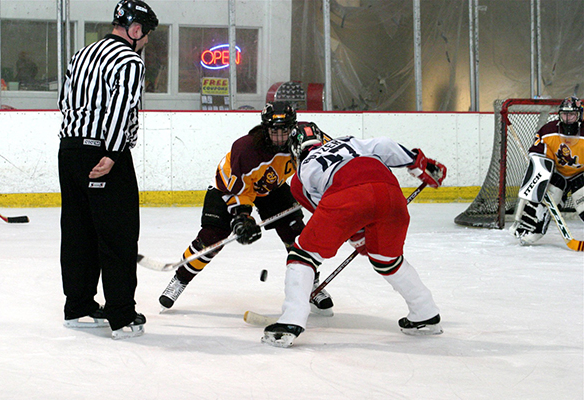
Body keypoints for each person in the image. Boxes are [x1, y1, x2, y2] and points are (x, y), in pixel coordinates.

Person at [261, 122, 447, 347]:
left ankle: (291, 321)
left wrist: (358, 238)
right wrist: (419, 165)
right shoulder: (349, 140)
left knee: (303, 254)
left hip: (348, 195)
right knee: (387, 261)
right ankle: (425, 314)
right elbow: (385, 144)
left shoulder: (300, 177)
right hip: (390, 194)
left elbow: (329, 211)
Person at [158, 102, 334, 315]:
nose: (280, 138)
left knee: (296, 233)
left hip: (272, 188)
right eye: (274, 131)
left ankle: (311, 285)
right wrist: (242, 218)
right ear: (265, 128)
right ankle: (180, 279)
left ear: (293, 126)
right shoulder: (247, 150)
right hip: (229, 189)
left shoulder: (307, 135)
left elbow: (333, 156)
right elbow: (239, 191)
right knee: (211, 238)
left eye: (285, 131)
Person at [57, 0, 158, 340]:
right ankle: (121, 316)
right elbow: (120, 107)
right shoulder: (129, 60)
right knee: (118, 234)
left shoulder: (81, 55)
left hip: (69, 150)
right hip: (103, 153)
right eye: (145, 36)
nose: (144, 43)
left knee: (77, 231)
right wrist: (113, 153)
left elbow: (64, 102)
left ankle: (79, 306)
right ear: (134, 30)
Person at [509, 96, 584, 244]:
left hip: (580, 175)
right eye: (564, 114)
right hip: (557, 175)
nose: (568, 119)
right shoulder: (548, 130)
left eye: (572, 115)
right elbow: (538, 157)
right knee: (547, 201)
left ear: (579, 116)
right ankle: (534, 229)